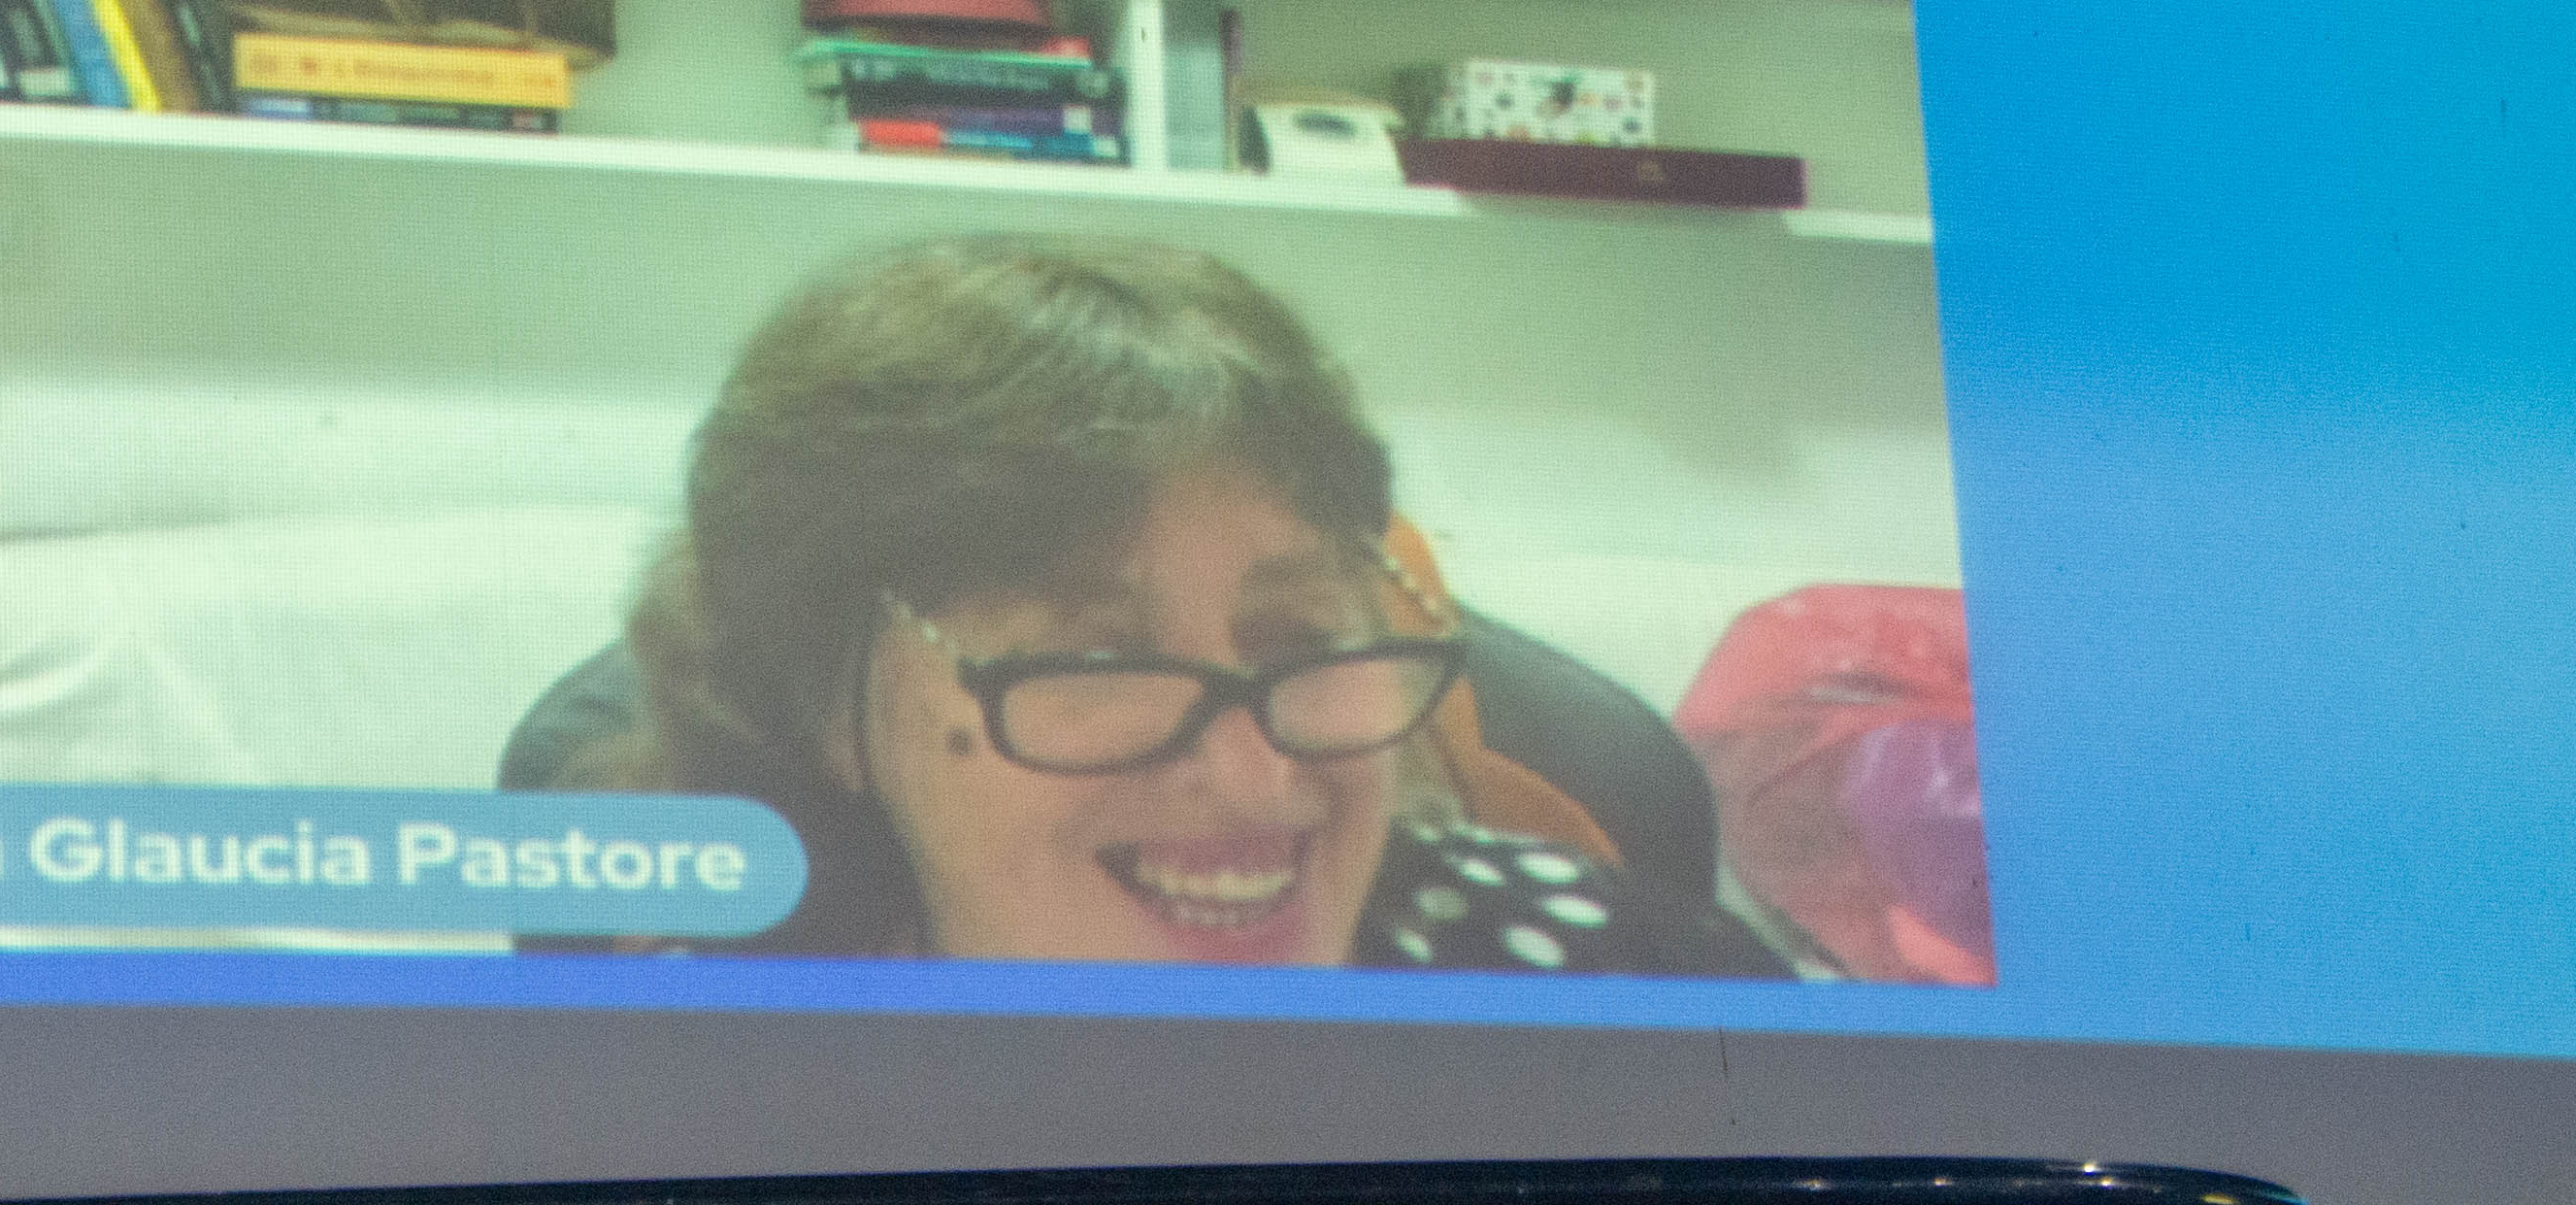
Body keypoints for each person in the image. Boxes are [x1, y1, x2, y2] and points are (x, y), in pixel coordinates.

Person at [579, 235, 1777, 971]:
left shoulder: (1633, 979)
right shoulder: (681, 1086)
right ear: (830, 703)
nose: (1256, 782)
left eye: (1299, 636)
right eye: (1098, 663)